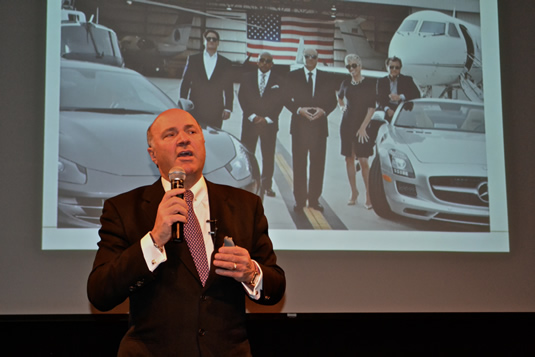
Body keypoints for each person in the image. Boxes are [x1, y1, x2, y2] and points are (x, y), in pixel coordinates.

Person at [87, 108, 286, 356]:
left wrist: (251, 272)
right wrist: (153, 240)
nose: (184, 139)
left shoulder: (246, 205)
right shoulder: (124, 209)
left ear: (202, 142)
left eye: (192, 131)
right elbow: (100, 293)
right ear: (153, 155)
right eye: (170, 134)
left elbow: (275, 287)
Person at [284, 48, 338, 213]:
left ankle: (314, 200)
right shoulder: (293, 76)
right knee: (299, 165)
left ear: (317, 58)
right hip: (300, 129)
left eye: (313, 57)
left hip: (319, 130)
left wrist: (324, 111)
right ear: (304, 58)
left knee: (317, 166)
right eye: (307, 56)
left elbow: (333, 102)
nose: (310, 59)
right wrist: (299, 109)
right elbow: (285, 98)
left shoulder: (326, 77)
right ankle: (299, 201)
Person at [238, 52, 284, 198]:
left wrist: (268, 118)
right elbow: (242, 97)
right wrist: (252, 116)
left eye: (268, 61)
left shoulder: (279, 80)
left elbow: (280, 101)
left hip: (269, 125)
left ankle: (266, 186)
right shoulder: (247, 78)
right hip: (250, 123)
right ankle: (248, 181)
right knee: (247, 154)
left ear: (272, 64)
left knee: (268, 156)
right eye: (262, 60)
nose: (264, 63)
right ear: (257, 62)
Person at [337, 54, 376, 209]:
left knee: (364, 160)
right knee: (349, 159)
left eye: (354, 65)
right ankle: (354, 192)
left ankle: (369, 194)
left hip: (363, 127)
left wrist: (363, 127)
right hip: (346, 125)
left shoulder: (368, 84)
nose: (352, 69)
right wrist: (341, 106)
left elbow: (371, 108)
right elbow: (339, 97)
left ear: (360, 66)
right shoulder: (345, 83)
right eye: (348, 66)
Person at [179, 29, 234, 128]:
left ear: (218, 42)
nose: (211, 41)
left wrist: (228, 108)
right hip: (195, 107)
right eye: (209, 39)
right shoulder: (194, 60)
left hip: (216, 110)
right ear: (204, 41)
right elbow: (186, 83)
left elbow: (229, 87)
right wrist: (183, 103)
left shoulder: (225, 63)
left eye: (214, 39)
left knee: (213, 138)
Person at [376, 56, 420, 122]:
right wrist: (387, 109)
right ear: (387, 67)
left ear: (400, 69)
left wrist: (400, 97)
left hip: (404, 110)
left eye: (397, 67)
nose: (394, 69)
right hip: (387, 109)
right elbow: (379, 98)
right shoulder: (381, 81)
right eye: (391, 67)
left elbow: (416, 94)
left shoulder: (407, 80)